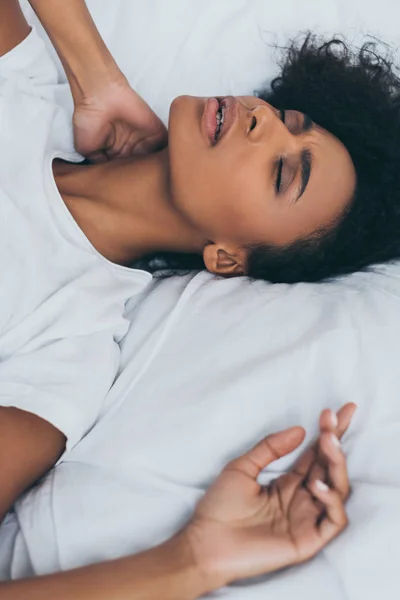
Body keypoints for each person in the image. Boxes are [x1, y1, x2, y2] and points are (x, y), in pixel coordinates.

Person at [0, 0, 385, 595]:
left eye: (283, 174)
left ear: (226, 259)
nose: (265, 122)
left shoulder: (65, 354)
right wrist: (95, 76)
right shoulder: (27, 86)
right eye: (287, 116)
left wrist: (192, 562)